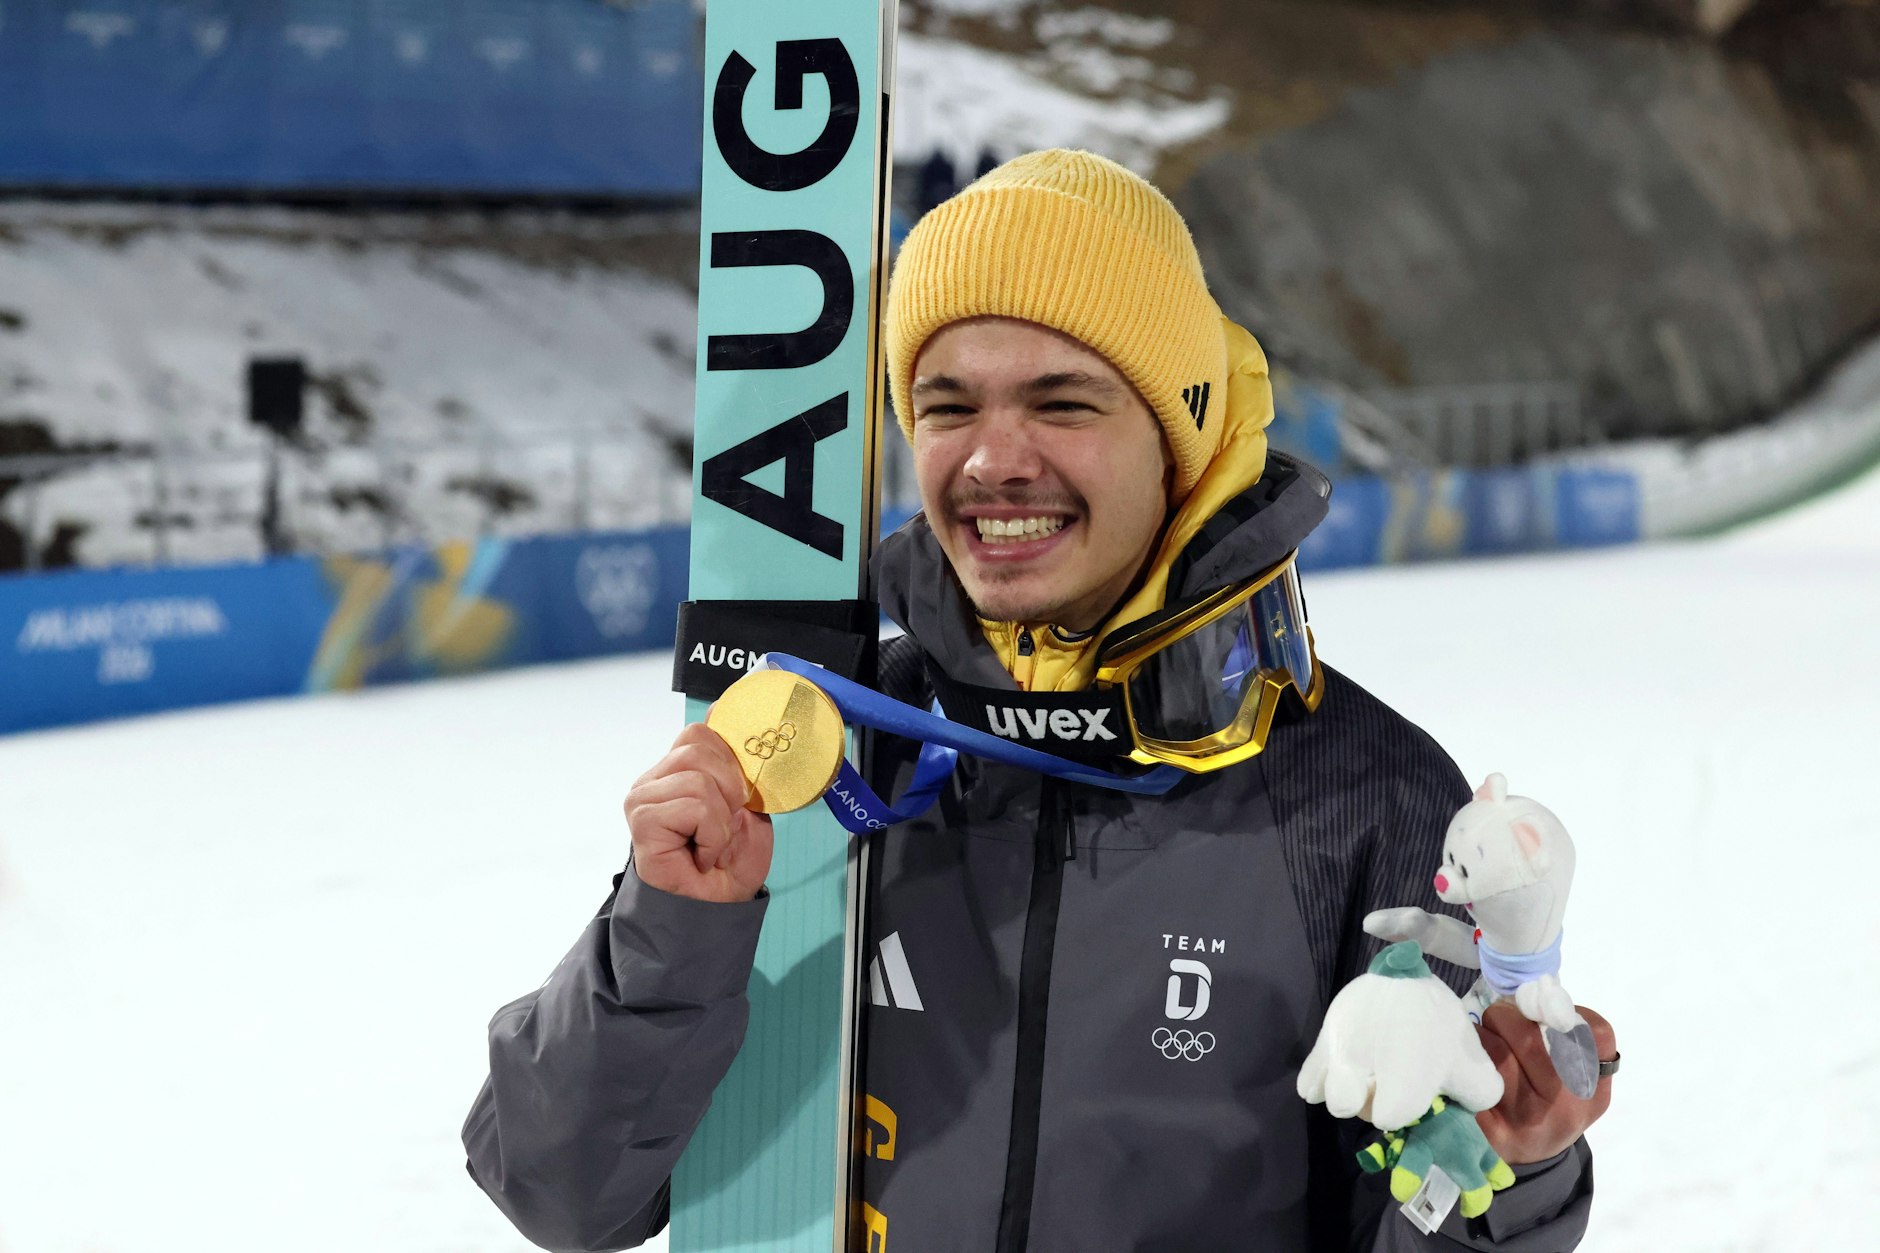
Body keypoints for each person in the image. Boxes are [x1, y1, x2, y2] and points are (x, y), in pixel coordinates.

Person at [463, 149, 1616, 1252]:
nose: (991, 458)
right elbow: (558, 1187)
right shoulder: (825, 750)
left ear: (1179, 440)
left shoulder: (1358, 794)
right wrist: (671, 929)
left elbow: (1443, 1203)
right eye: (947, 404)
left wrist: (1509, 1177)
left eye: (1062, 402)